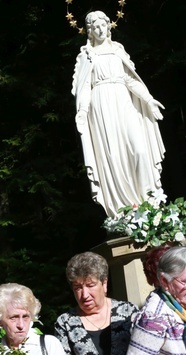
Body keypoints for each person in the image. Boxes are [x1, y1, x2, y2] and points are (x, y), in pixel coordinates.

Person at [71, 10, 165, 217]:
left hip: (123, 101)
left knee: (140, 150)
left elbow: (130, 79)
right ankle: (124, 210)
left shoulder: (117, 50)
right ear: (89, 32)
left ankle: (149, 203)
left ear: (108, 25)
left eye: (102, 25)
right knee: (112, 156)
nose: (99, 29)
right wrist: (83, 111)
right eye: (94, 27)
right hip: (101, 107)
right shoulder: (86, 55)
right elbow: (84, 86)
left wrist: (149, 100)